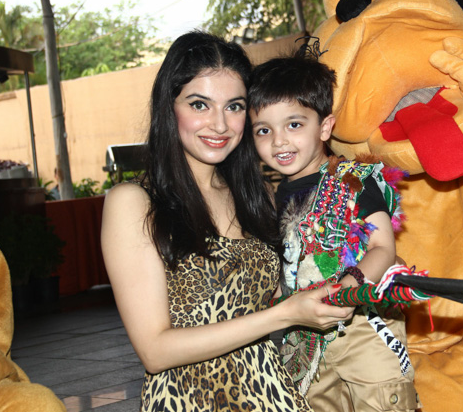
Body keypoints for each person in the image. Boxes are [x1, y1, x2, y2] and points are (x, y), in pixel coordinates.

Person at [100, 31, 354, 412]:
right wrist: (283, 315)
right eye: (199, 104)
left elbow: (293, 286)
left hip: (274, 395)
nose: (219, 124)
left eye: (234, 106)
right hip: (189, 400)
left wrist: (363, 268)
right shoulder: (134, 203)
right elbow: (154, 350)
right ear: (169, 106)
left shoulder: (258, 195)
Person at [248, 54, 421, 412]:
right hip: (306, 342)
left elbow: (382, 247)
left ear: (325, 127)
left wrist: (347, 286)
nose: (279, 141)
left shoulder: (351, 179)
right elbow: (289, 267)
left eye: (294, 124)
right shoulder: (275, 197)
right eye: (264, 130)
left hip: (365, 330)